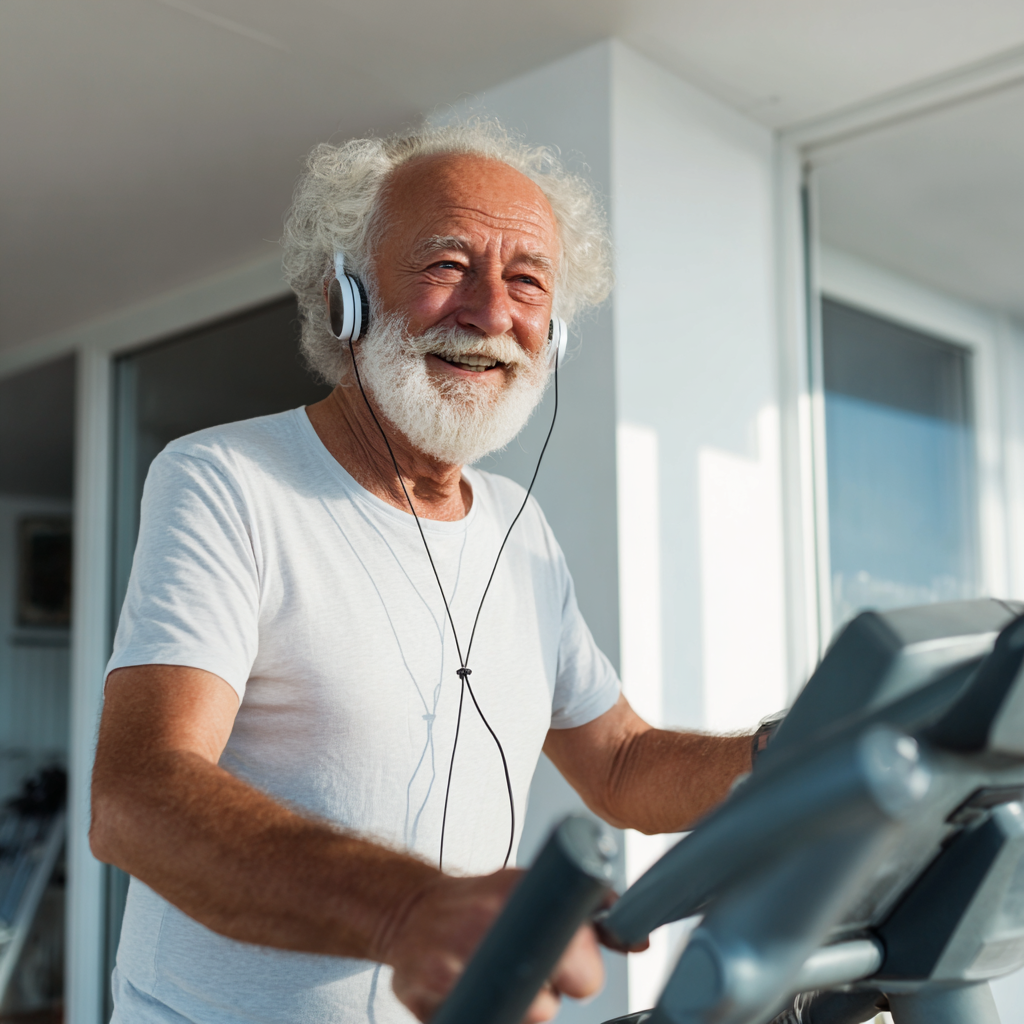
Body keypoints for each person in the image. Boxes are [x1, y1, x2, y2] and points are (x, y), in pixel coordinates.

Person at [90, 120, 753, 1024]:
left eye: (527, 282)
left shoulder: (522, 531)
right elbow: (138, 795)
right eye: (447, 265)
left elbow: (625, 763)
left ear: (551, 332)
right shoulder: (224, 479)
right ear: (345, 298)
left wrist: (793, 754)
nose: (490, 314)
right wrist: (407, 910)